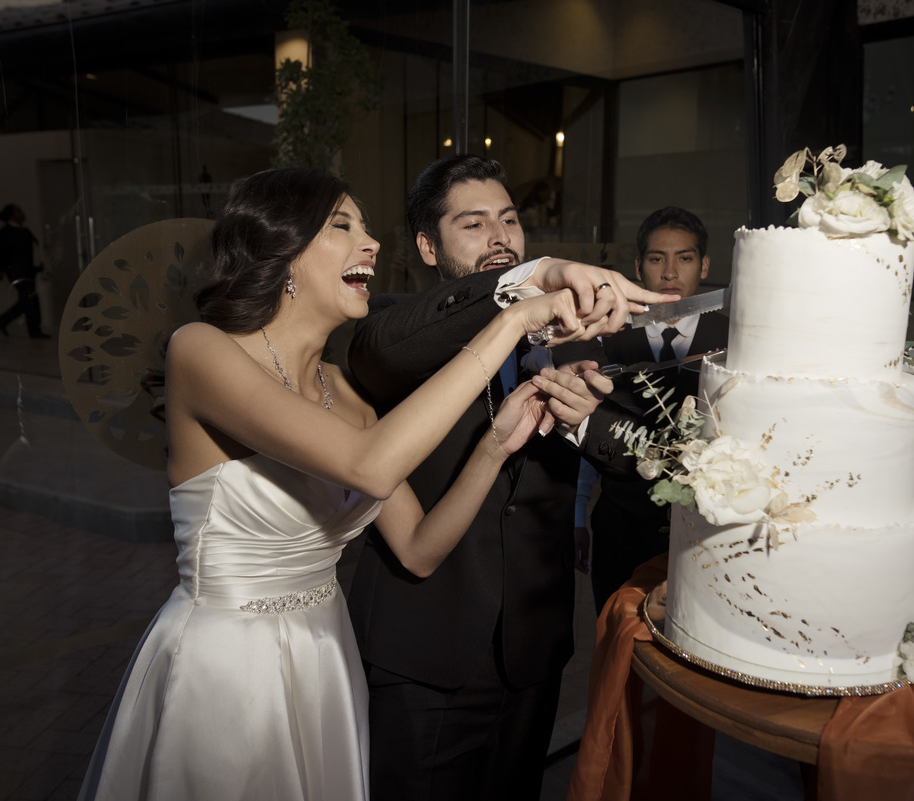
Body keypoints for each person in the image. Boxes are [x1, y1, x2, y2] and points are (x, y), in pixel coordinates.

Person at [77, 167, 637, 801]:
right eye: (343, 226)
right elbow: (369, 465)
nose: (371, 244)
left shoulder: (343, 393)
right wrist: (514, 316)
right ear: (282, 251)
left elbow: (420, 549)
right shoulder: (201, 350)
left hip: (324, 655)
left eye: (368, 230)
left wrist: (495, 444)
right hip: (227, 664)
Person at [346, 155, 669, 800]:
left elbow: (642, 464)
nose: (500, 237)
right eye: (473, 224)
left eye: (510, 221)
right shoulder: (389, 325)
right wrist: (527, 285)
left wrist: (590, 420)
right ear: (426, 246)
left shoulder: (565, 333)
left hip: (533, 649)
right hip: (423, 653)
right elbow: (390, 350)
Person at [576, 206, 729, 612]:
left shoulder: (735, 338)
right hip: (621, 521)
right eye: (657, 258)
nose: (670, 272)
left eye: (685, 258)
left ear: (704, 265)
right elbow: (585, 430)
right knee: (617, 633)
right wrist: (577, 515)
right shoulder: (608, 336)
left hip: (707, 527)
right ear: (639, 267)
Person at [0, 203, 49, 339]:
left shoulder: (25, 231)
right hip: (18, 272)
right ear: (11, 215)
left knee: (31, 300)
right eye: (18, 211)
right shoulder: (5, 232)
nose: (21, 213)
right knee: (29, 300)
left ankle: (33, 329)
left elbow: (35, 252)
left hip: (29, 271)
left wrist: (42, 268)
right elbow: (1, 253)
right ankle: (4, 321)